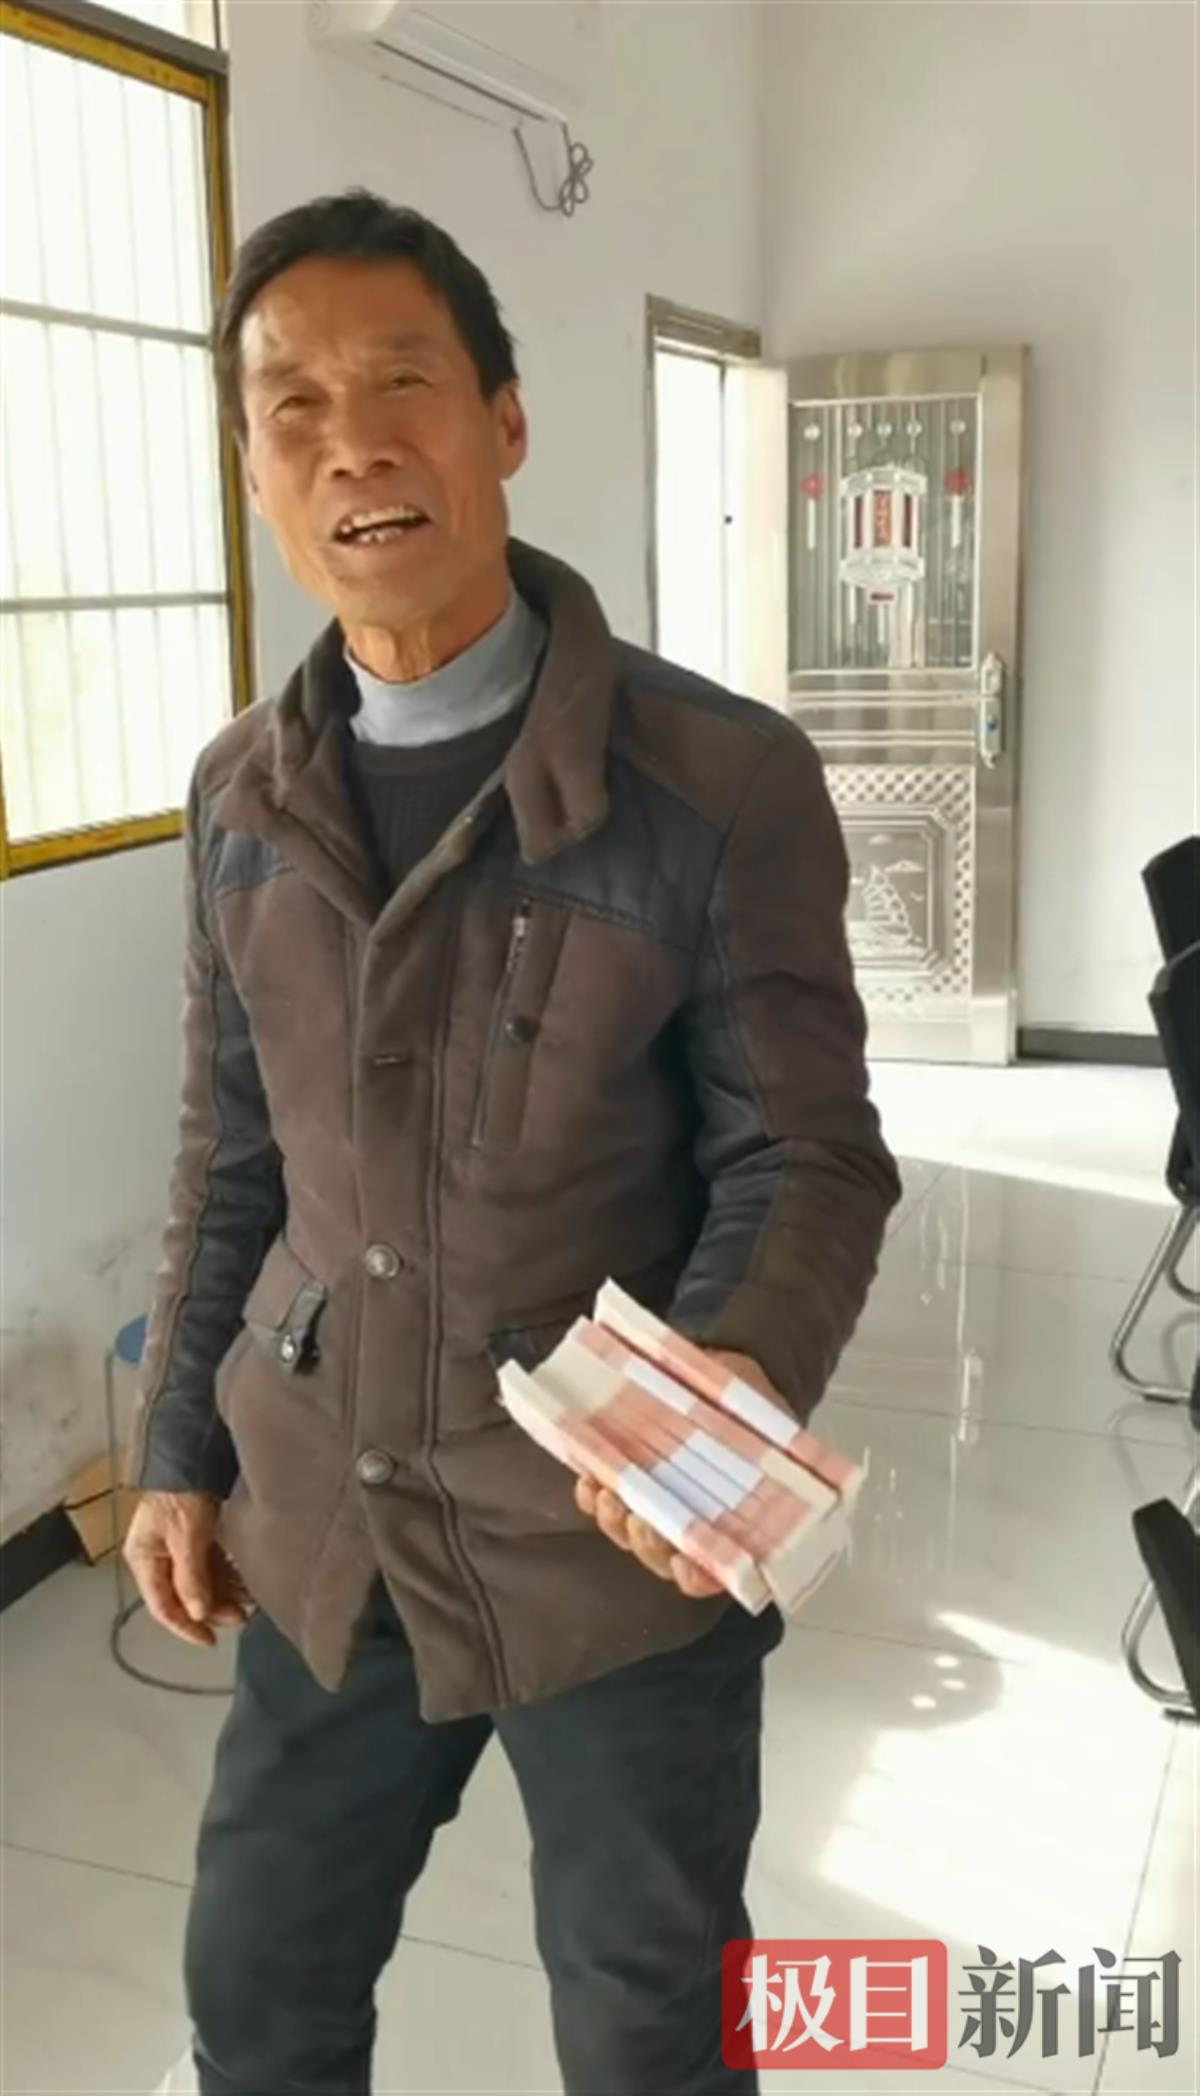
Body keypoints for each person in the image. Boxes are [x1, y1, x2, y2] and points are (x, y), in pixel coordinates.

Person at [125, 189, 899, 2096]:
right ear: (256, 472)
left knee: (652, 2023)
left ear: (505, 420)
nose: (353, 445)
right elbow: (233, 1162)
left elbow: (805, 1154)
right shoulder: (240, 794)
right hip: (330, 1516)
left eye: (401, 384)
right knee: (257, 1987)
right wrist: (179, 1448)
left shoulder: (715, 782)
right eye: (294, 409)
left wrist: (730, 1379)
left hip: (605, 1543)